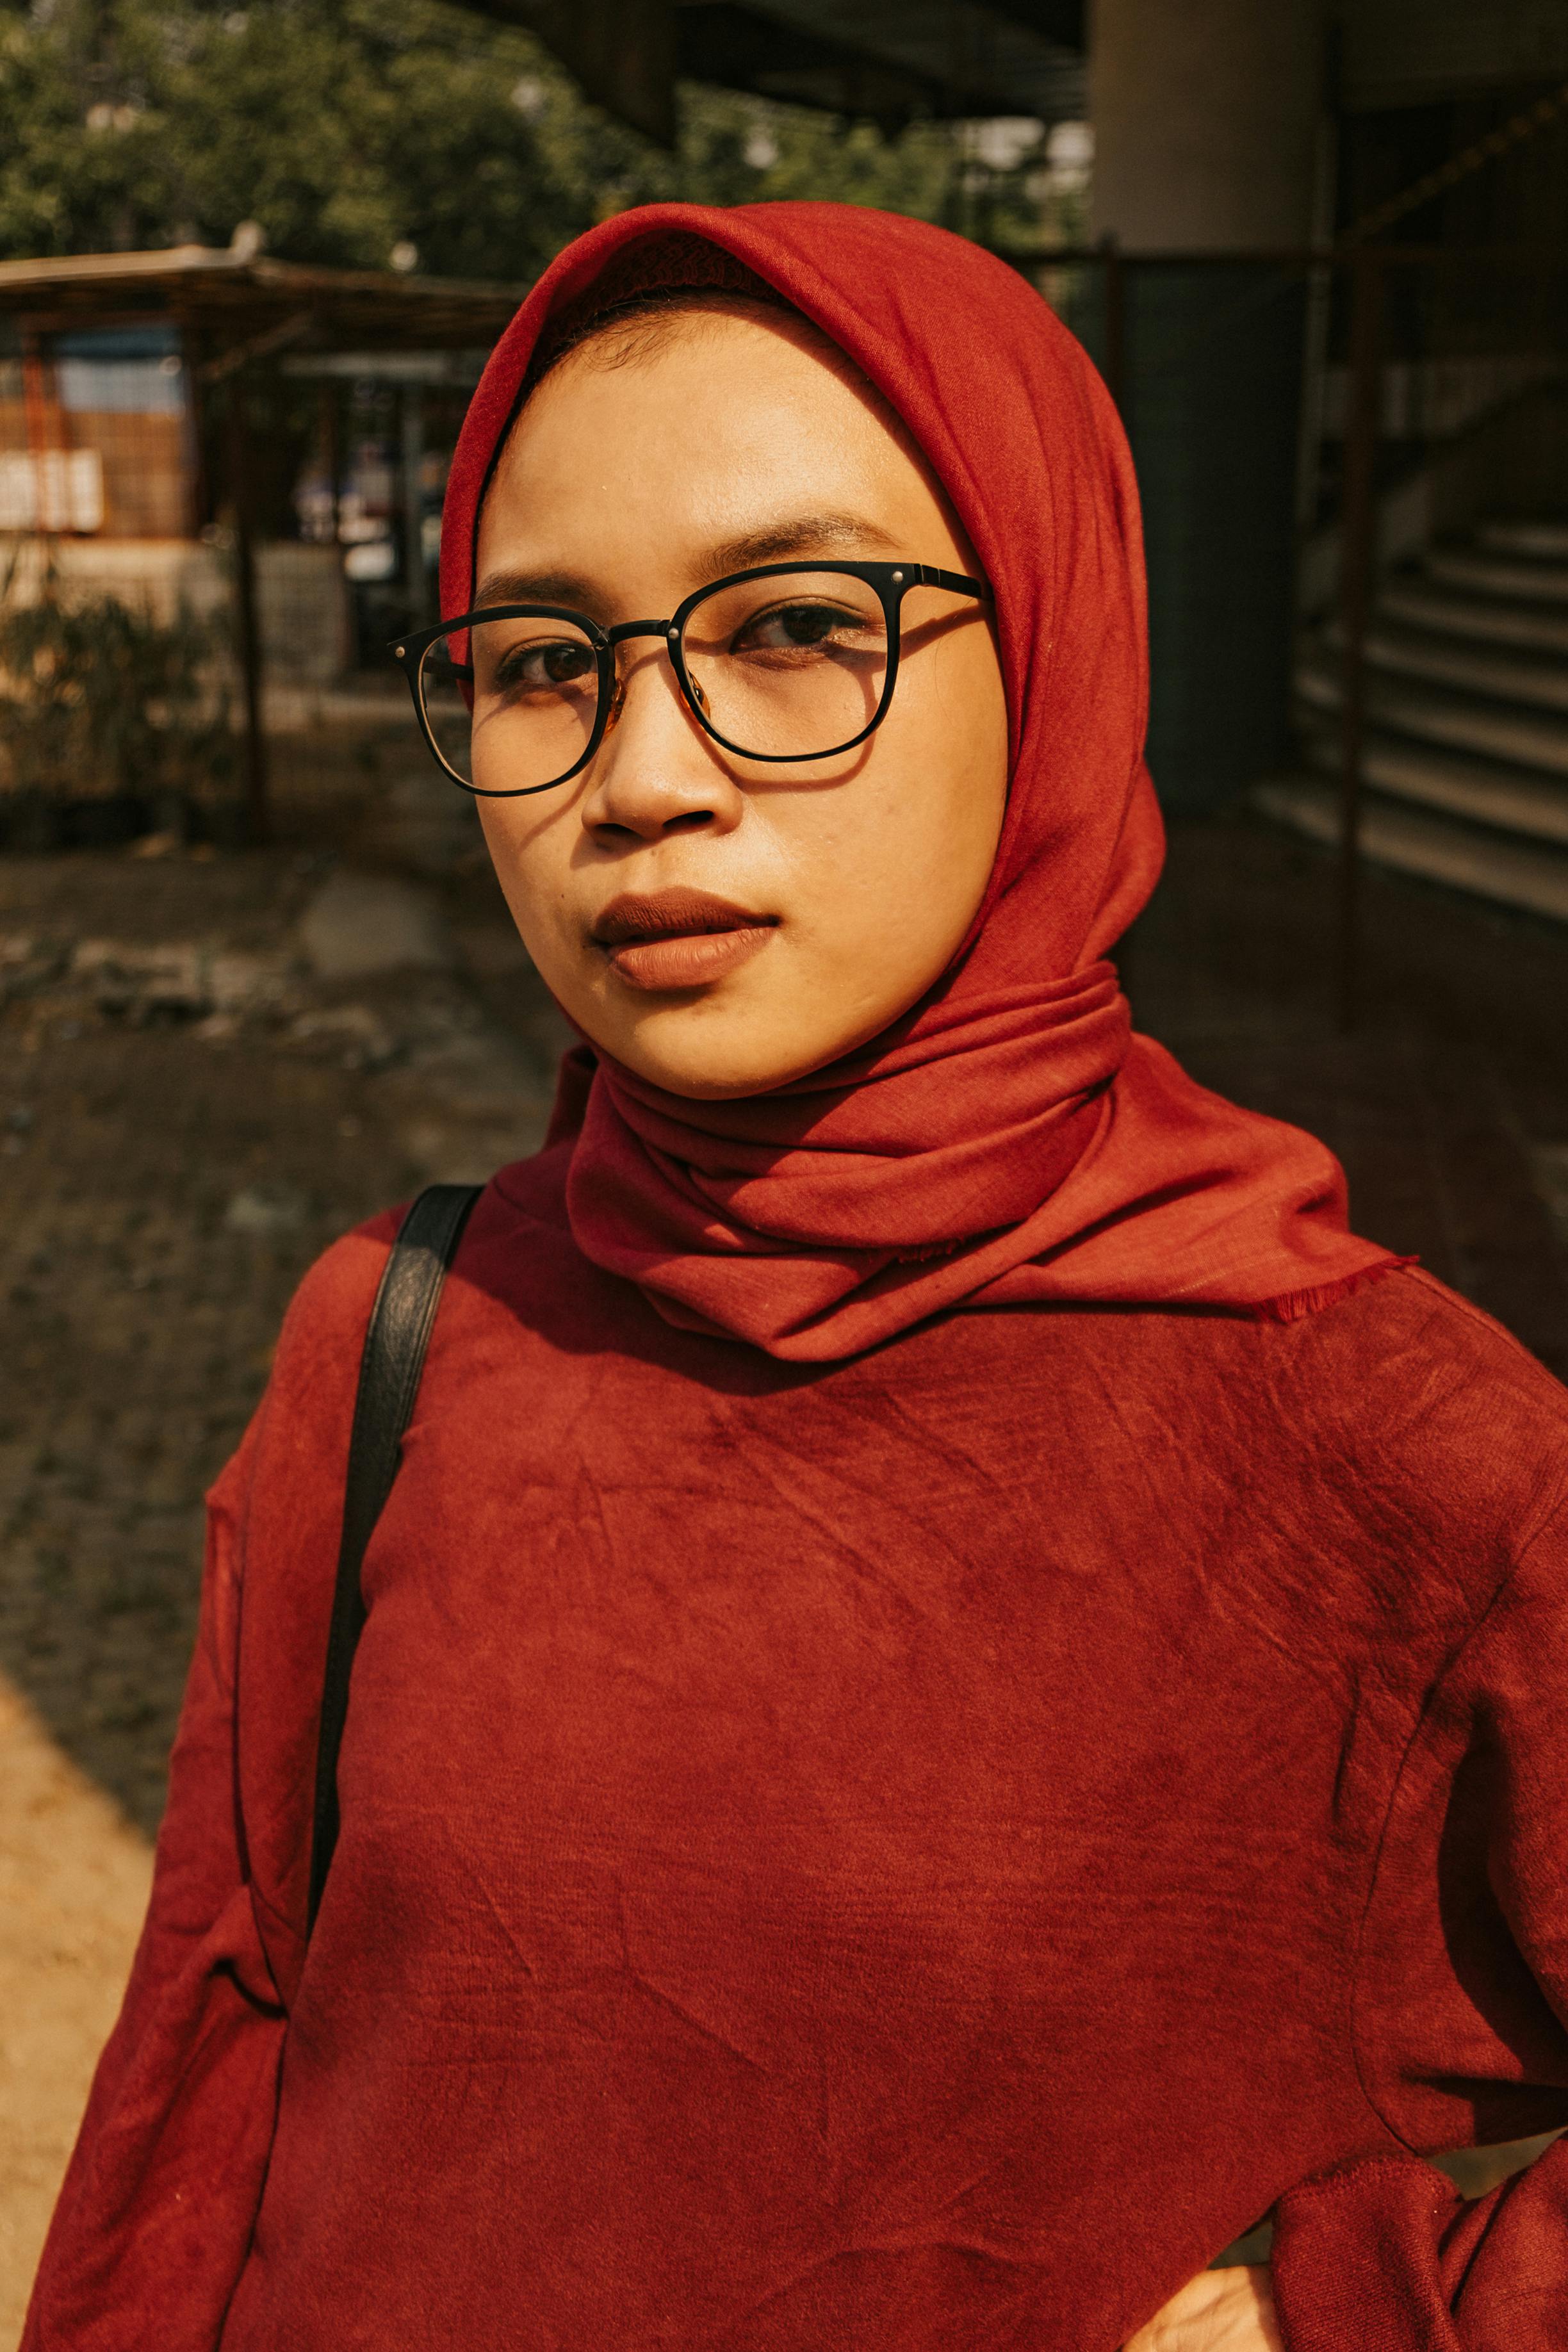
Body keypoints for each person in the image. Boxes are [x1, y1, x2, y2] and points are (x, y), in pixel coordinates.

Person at [22, 202, 1568, 2352]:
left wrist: (1375, 2312)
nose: (641, 784)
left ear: (1050, 641)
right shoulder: (400, 1330)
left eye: (794, 631)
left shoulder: (1396, 1451)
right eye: (546, 663)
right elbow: (218, 2058)